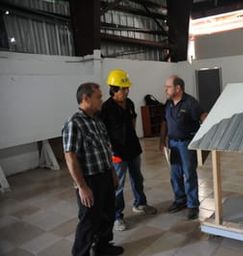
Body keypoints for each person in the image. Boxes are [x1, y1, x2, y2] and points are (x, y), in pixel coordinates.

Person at [62, 82, 123, 256]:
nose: (101, 100)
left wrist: (112, 173)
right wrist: (82, 187)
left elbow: (106, 149)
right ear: (86, 98)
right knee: (89, 221)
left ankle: (102, 248)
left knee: (107, 214)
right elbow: (70, 157)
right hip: (89, 180)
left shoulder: (97, 121)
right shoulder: (74, 123)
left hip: (105, 175)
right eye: (98, 97)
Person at [101, 69, 157, 231]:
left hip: (133, 148)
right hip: (117, 153)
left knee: (137, 178)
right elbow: (103, 132)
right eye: (123, 89)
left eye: (127, 88)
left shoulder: (130, 103)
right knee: (118, 184)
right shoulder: (106, 108)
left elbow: (132, 123)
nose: (126, 91)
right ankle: (117, 216)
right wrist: (110, 150)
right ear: (114, 89)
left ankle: (140, 204)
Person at [159, 75, 207, 220]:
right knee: (175, 175)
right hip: (172, 144)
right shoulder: (168, 104)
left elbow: (202, 116)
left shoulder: (191, 103)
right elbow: (164, 122)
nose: (165, 90)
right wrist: (162, 140)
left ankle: (192, 205)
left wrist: (207, 119)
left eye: (168, 87)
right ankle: (180, 200)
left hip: (187, 143)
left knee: (189, 174)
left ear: (178, 88)